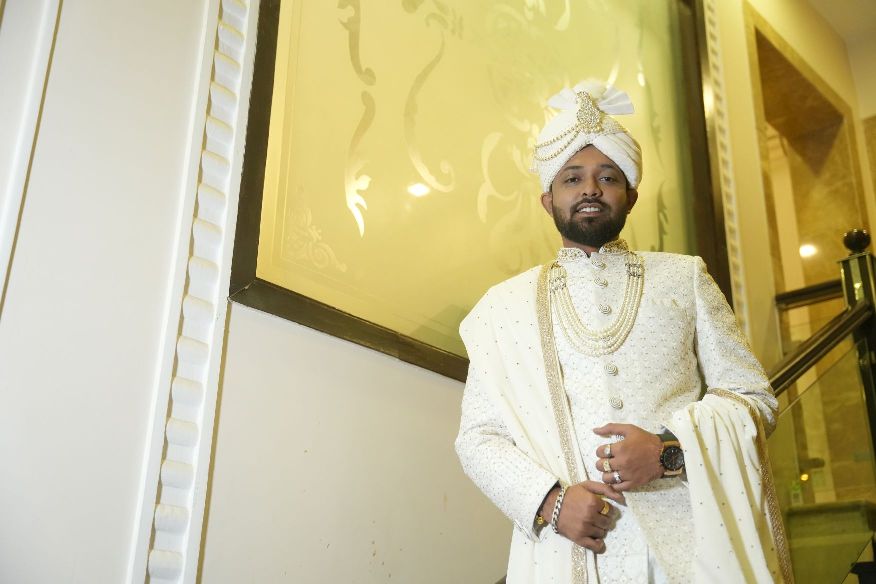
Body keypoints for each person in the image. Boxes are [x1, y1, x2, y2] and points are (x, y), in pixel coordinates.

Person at [454, 80, 793, 583]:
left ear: (631, 195)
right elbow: (479, 437)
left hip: (691, 545)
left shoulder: (684, 277)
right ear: (548, 200)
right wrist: (551, 502)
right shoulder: (502, 308)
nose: (590, 189)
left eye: (607, 177)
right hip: (572, 550)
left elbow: (753, 398)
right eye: (572, 178)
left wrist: (667, 452)